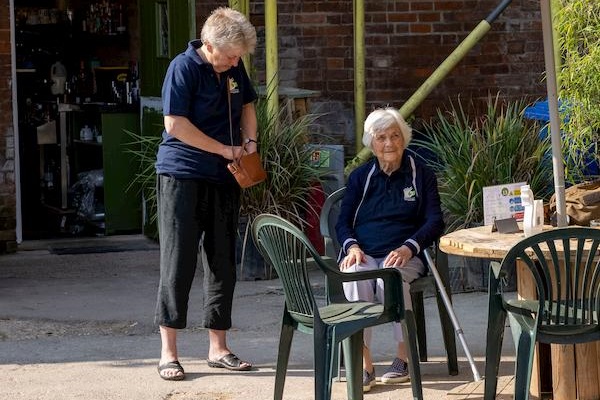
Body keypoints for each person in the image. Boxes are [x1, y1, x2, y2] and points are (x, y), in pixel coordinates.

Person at [154, 7, 258, 381]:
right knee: (178, 261)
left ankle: (219, 347)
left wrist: (249, 141)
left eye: (239, 57)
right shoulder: (182, 68)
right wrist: (223, 149)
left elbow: (247, 104)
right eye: (230, 56)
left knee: (222, 261)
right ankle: (169, 352)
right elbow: (175, 124)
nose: (235, 62)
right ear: (209, 45)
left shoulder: (232, 67)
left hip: (225, 175)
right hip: (182, 174)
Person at [335, 107, 444, 392]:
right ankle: (363, 362)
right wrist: (352, 247)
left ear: (404, 138)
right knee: (356, 274)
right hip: (366, 252)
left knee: (391, 276)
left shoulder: (422, 174)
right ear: (371, 143)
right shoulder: (360, 177)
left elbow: (435, 220)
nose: (389, 144)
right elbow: (343, 221)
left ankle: (402, 358)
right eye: (381, 137)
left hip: (403, 255)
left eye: (395, 136)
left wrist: (409, 247)